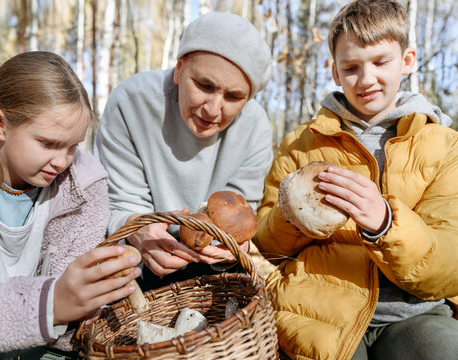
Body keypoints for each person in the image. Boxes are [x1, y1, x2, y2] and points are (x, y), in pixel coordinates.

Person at [254, 1, 458, 359]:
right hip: (316, 310)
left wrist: (385, 223)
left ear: (407, 61)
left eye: (381, 62)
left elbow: (450, 263)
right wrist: (290, 215)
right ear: (334, 71)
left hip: (415, 313)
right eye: (351, 67)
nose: (366, 79)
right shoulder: (300, 145)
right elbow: (267, 248)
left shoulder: (444, 146)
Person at [0, 51, 141, 359]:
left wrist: (86, 305)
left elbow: (71, 336)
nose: (62, 161)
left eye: (73, 146)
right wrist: (50, 305)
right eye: (48, 143)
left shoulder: (86, 187)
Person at [96, 12, 273, 291]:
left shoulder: (256, 128)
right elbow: (118, 205)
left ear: (248, 99)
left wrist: (233, 249)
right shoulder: (131, 105)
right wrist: (137, 229)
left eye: (234, 96)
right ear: (179, 69)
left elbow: (242, 213)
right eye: (204, 85)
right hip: (138, 262)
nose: (213, 109)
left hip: (213, 266)